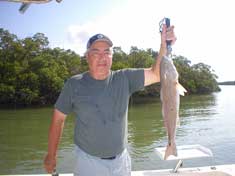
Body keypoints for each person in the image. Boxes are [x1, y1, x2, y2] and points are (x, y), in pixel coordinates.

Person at [44, 24, 176, 176]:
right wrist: (51, 155)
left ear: (112, 56)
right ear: (87, 56)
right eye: (96, 52)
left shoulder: (124, 78)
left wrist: (165, 45)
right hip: (88, 162)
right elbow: (58, 120)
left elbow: (157, 74)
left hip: (121, 161)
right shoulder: (74, 84)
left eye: (107, 52)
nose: (102, 57)